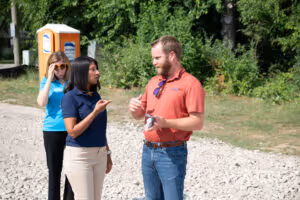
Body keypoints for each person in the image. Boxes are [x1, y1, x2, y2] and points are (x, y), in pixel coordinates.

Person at [128, 36, 205, 200]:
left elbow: (197, 122)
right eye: (153, 58)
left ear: (172, 55)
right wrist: (134, 109)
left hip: (172, 153)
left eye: (157, 58)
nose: (154, 62)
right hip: (148, 151)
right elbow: (140, 114)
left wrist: (166, 123)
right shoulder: (153, 81)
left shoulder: (191, 84)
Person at [61, 56, 112, 200]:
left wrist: (107, 153)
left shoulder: (96, 95)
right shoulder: (69, 98)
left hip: (100, 155)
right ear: (81, 72)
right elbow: (73, 131)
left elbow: (100, 129)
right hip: (79, 157)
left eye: (97, 69)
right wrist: (95, 112)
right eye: (93, 69)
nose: (97, 73)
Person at [37, 51, 74, 200]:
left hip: (71, 129)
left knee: (71, 169)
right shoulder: (46, 81)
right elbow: (41, 102)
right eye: (56, 67)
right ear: (51, 67)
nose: (60, 70)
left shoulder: (71, 82)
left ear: (67, 66)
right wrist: (48, 79)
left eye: (63, 66)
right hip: (52, 130)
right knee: (54, 171)